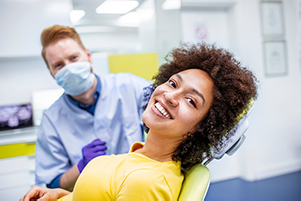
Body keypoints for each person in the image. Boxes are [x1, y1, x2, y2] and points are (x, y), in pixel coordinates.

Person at [21, 43, 258, 200]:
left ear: (202, 128)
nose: (170, 96)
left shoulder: (146, 182)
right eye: (173, 83)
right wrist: (60, 195)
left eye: (191, 101)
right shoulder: (138, 157)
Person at [35, 25, 150, 191]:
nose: (69, 68)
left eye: (74, 58)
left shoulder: (130, 87)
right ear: (51, 72)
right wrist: (82, 166)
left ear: (88, 56)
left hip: (138, 187)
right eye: (59, 65)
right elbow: (52, 183)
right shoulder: (51, 120)